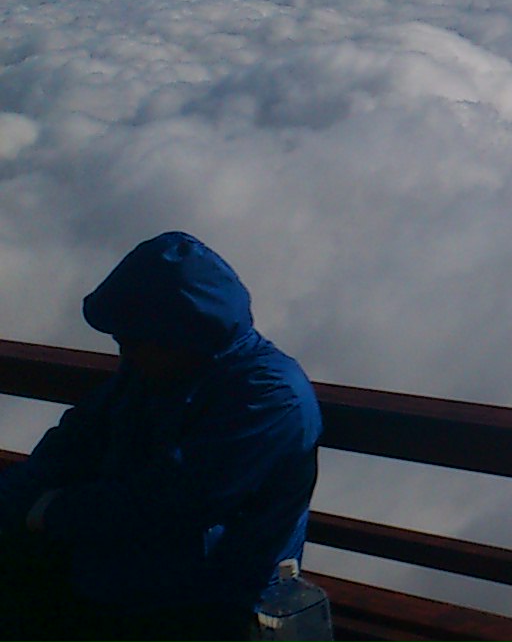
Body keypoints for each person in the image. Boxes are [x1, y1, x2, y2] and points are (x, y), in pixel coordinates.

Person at [0, 231, 323, 641]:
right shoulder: (157, 369)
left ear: (184, 333)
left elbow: (173, 504)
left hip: (213, 600)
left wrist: (43, 511)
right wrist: (14, 497)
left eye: (135, 340)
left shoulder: (271, 398)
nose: (125, 352)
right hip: (127, 572)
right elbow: (72, 443)